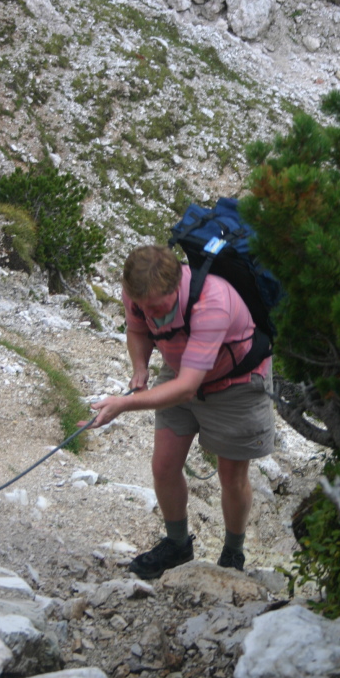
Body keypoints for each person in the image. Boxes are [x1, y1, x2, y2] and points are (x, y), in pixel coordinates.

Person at [82, 244, 275, 580]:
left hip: (236, 382)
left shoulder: (212, 301)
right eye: (143, 305)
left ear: (177, 286)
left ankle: (233, 551)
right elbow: (137, 329)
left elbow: (186, 387)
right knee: (164, 466)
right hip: (182, 369)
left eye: (159, 306)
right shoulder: (139, 293)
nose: (151, 313)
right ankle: (177, 545)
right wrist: (140, 366)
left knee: (231, 477)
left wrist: (123, 404)